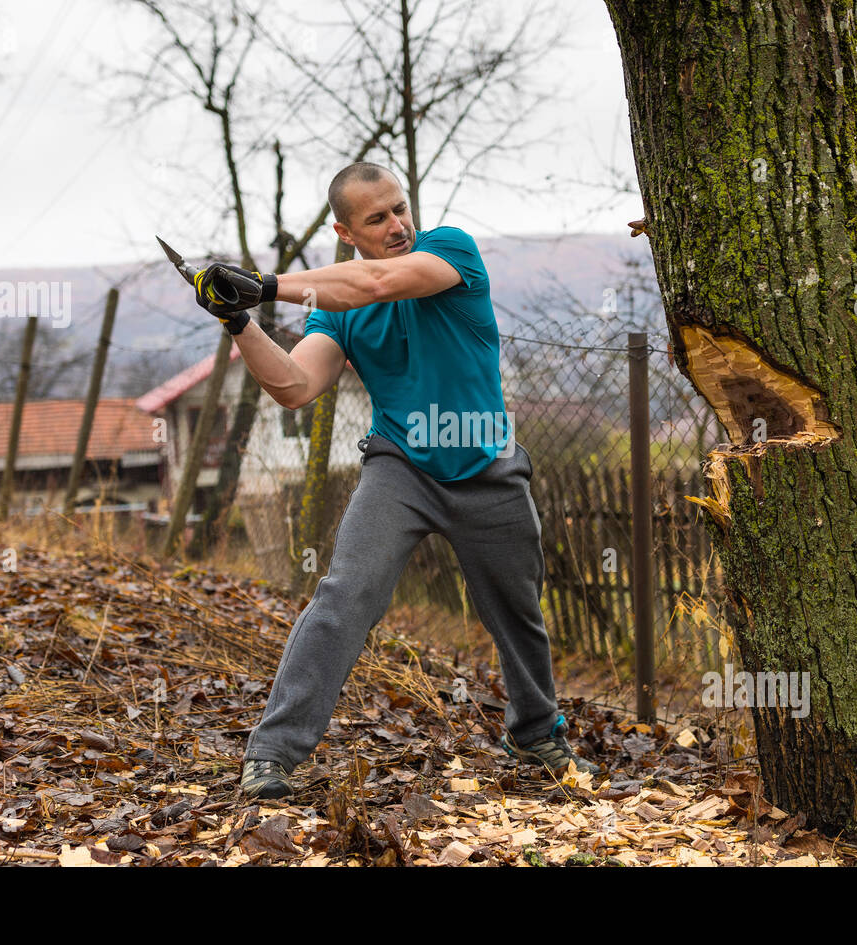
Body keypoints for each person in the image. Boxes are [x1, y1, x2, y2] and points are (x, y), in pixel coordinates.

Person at [186, 161, 602, 799]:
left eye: (400, 208)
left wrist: (265, 283)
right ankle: (271, 753)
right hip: (400, 468)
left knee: (516, 613)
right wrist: (241, 320)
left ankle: (536, 734)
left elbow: (376, 283)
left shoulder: (449, 251)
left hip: (486, 465)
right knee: (345, 595)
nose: (398, 225)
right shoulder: (338, 310)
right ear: (345, 230)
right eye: (377, 218)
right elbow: (295, 386)